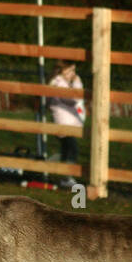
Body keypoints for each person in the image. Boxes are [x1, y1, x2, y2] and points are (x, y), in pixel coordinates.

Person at [46, 58, 85, 189]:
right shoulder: (58, 82)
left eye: (74, 70)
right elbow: (73, 99)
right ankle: (66, 176)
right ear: (63, 70)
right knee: (72, 149)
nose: (73, 74)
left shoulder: (62, 82)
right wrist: (77, 83)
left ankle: (61, 173)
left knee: (67, 149)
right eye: (71, 70)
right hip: (63, 122)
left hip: (67, 122)